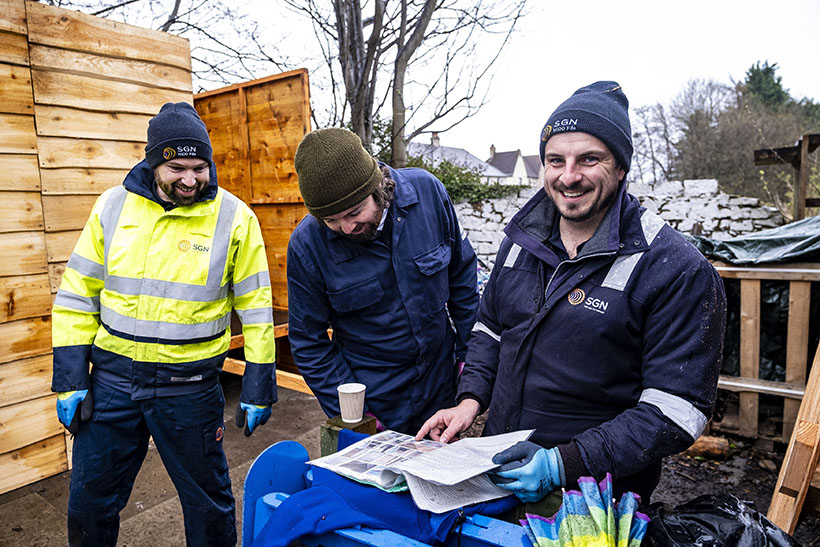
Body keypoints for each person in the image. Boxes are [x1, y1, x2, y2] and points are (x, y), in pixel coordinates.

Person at [417, 81, 727, 504]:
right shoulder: (519, 245)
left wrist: (562, 464)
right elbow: (490, 331)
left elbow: (676, 411)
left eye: (589, 159)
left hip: (596, 496)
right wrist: (469, 400)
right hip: (499, 471)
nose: (568, 176)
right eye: (555, 160)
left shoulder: (676, 269)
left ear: (620, 167)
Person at [51, 102, 277, 546]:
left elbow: (256, 309)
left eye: (200, 167)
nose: (190, 180)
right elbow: (78, 295)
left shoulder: (234, 218)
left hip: (189, 389)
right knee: (89, 505)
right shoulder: (113, 207)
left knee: (208, 506)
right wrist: (71, 378)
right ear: (154, 161)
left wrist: (259, 383)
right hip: (113, 385)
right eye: (176, 167)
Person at [287, 127, 479, 434]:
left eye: (354, 212)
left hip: (443, 386)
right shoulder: (307, 245)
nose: (346, 228)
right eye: (331, 220)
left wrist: (471, 368)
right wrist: (357, 415)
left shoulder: (428, 194)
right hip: (377, 400)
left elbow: (464, 284)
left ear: (377, 185)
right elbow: (308, 343)